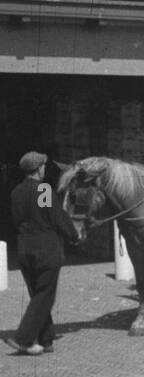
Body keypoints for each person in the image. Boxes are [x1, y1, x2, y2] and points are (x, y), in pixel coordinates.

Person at [8, 151, 77, 355]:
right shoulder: (43, 190)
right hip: (46, 249)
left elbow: (17, 220)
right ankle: (24, 338)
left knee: (38, 294)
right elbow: (56, 217)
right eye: (44, 166)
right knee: (45, 295)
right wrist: (73, 235)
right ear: (38, 169)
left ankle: (46, 340)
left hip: (24, 249)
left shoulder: (16, 192)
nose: (45, 169)